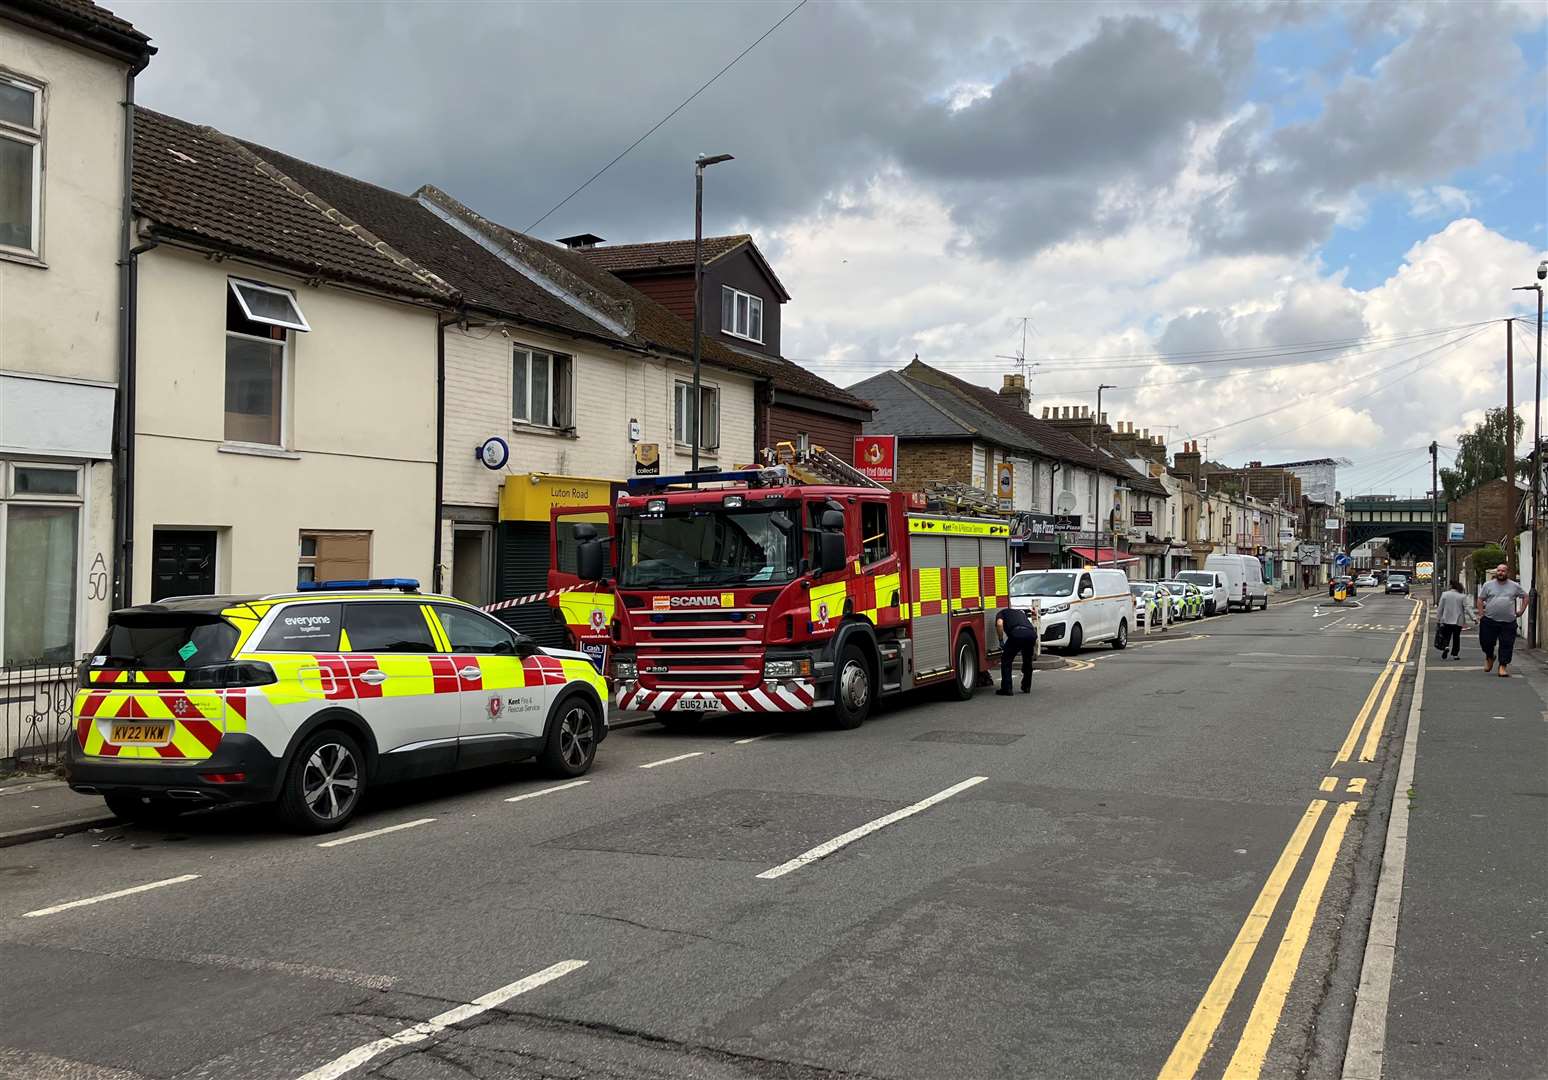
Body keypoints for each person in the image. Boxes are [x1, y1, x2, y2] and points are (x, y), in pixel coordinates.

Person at [1476, 563, 1528, 676]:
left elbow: (1525, 596)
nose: (1500, 573)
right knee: (1486, 642)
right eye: (1499, 571)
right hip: (1489, 619)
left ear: (1507, 572)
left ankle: (1502, 666)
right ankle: (1490, 656)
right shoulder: (1488, 585)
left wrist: (1521, 611)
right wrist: (1481, 614)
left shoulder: (1514, 586)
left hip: (1508, 621)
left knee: (1507, 644)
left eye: (1503, 571)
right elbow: (1480, 599)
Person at [994, 603, 1038, 696]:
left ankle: (1007, 688)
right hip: (1031, 635)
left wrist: (1001, 640)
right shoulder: (1020, 613)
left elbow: (999, 624)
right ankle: (1026, 686)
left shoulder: (1001, 613)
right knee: (1027, 661)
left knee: (1006, 660)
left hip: (1017, 634)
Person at [1435, 579, 1470, 660]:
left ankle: (1446, 647)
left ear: (1451, 586)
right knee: (1456, 637)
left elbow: (1440, 608)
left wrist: (1438, 619)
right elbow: (1467, 608)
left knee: (1447, 635)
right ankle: (1455, 654)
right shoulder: (1462, 596)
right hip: (1458, 621)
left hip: (1446, 619)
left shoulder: (1445, 594)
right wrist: (1474, 618)